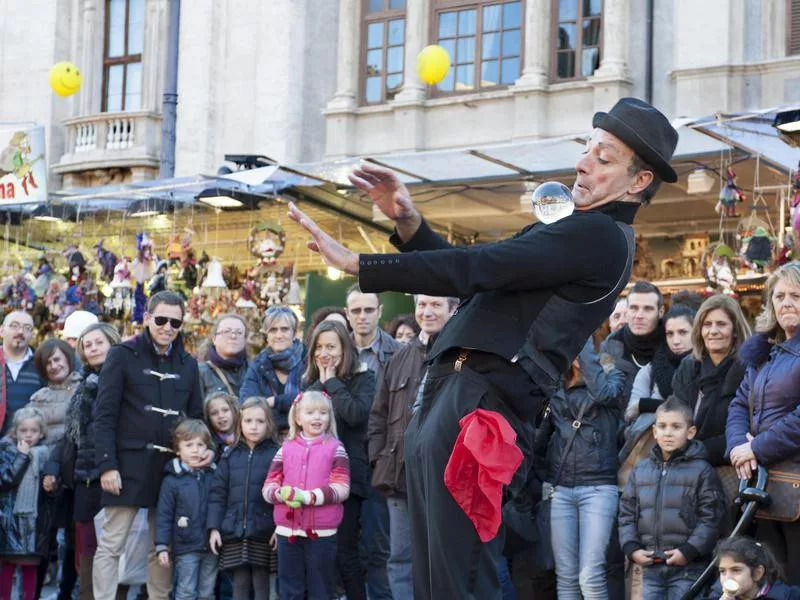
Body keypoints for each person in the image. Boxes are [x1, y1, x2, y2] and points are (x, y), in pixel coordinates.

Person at [288, 96, 678, 599]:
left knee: (460, 580)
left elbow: (482, 265)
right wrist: (410, 225)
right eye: (588, 147)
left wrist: (361, 265)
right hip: (456, 394)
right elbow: (480, 277)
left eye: (604, 158)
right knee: (437, 580)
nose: (583, 162)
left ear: (639, 181)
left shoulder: (600, 235)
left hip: (480, 409)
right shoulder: (577, 229)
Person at [93, 291, 206, 600]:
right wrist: (107, 464)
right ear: (147, 318)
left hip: (169, 468)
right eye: (160, 319)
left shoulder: (188, 364)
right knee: (111, 544)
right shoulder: (121, 354)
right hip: (125, 465)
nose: (167, 327)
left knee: (162, 545)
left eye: (175, 322)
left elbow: (196, 416)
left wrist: (199, 453)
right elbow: (104, 414)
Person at [368, 294, 458, 599]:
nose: (427, 311)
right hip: (399, 476)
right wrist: (378, 461)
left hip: (445, 478)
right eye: (422, 305)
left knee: (441, 561)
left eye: (436, 305)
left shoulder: (463, 356)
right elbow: (378, 415)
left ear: (453, 309)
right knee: (400, 559)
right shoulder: (400, 357)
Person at [727, 262, 800, 583]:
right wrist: (737, 449)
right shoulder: (765, 352)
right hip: (765, 482)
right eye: (779, 296)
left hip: (796, 479)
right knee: (771, 576)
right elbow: (740, 403)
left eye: (796, 295)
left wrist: (755, 447)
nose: (786, 303)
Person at [542, 337, 625, 599]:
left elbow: (600, 392)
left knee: (590, 576)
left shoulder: (613, 379)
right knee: (565, 578)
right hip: (560, 489)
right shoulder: (556, 385)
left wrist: (581, 336)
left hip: (598, 488)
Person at [620, 397, 726, 599]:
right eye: (662, 426)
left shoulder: (702, 470)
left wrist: (689, 550)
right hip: (651, 566)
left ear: (691, 432)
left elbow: (711, 518)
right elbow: (626, 513)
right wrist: (632, 548)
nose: (668, 432)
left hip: (689, 567)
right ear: (654, 432)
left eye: (676, 426)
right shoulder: (641, 470)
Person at [45, 322, 121, 600]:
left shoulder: (126, 381)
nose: (93, 348)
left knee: (116, 555)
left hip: (116, 478)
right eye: (87, 345)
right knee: (85, 554)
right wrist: (54, 468)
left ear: (113, 343)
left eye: (98, 342)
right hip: (84, 481)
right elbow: (70, 438)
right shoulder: (82, 387)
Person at [303, 320, 376, 600]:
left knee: (345, 552)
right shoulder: (310, 383)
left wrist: (332, 382)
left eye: (331, 346)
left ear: (345, 349)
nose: (325, 353)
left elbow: (356, 414)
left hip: (347, 479)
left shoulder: (363, 378)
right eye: (319, 347)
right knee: (317, 552)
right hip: (311, 479)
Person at [263, 390, 350, 600]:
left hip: (321, 534)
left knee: (321, 588)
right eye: (310, 412)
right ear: (298, 418)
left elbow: (341, 488)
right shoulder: (285, 448)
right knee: (290, 589)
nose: (317, 417)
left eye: (323, 413)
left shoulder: (335, 448)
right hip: (288, 532)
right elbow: (269, 484)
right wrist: (279, 494)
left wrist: (309, 497)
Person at [344, 284, 399, 600]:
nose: (362, 317)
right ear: (346, 314)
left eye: (368, 310)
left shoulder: (398, 353)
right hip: (343, 462)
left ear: (380, 312)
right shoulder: (335, 351)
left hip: (383, 463)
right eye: (356, 311)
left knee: (381, 549)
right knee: (344, 548)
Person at [208, 396, 280, 600]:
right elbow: (217, 494)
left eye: (260, 421)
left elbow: (283, 495)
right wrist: (214, 528)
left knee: (262, 585)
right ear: (240, 423)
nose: (254, 427)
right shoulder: (229, 455)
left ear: (269, 423)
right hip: (234, 531)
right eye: (248, 421)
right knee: (239, 585)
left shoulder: (277, 455)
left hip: (264, 531)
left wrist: (279, 527)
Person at [620, 304, 696, 482]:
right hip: (645, 456)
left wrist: (646, 405)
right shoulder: (652, 368)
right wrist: (639, 406)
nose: (676, 340)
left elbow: (693, 409)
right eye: (670, 334)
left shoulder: (703, 366)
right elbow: (630, 413)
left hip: (688, 458)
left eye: (683, 332)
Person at [672, 295, 750, 466]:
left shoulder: (749, 369)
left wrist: (697, 451)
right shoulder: (688, 367)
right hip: (685, 463)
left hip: (729, 466)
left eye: (721, 324)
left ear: (735, 329)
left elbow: (748, 427)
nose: (713, 331)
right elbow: (676, 417)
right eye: (707, 324)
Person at [30, 338, 81, 599]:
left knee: (73, 539)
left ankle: (65, 592)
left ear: (69, 359)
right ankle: (35, 592)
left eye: (58, 359)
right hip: (44, 477)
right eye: (48, 362)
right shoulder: (38, 398)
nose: (54, 365)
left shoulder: (84, 389)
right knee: (43, 539)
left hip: (73, 473)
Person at [156, 419, 218, 600]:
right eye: (189, 444)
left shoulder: (213, 475)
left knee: (207, 593)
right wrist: (162, 546)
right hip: (185, 546)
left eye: (200, 444)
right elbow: (164, 515)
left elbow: (219, 504)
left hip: (210, 547)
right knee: (186, 592)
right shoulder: (172, 480)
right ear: (178, 449)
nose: (195, 449)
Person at [0, 406, 55, 600]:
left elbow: (50, 496)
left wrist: (52, 486)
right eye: (24, 430)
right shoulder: (6, 450)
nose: (29, 435)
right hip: (9, 522)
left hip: (34, 523)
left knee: (30, 568)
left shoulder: (46, 454)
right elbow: (5, 481)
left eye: (34, 431)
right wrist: (22, 456)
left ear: (42, 433)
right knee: (7, 568)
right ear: (15, 431)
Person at [240, 306, 307, 433]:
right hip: (267, 437)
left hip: (305, 436)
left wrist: (274, 401)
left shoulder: (308, 360)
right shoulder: (258, 365)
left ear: (294, 334)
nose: (279, 335)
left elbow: (310, 400)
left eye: (285, 329)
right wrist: (290, 403)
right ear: (267, 335)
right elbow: (248, 404)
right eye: (273, 330)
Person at [603, 281, 666, 398]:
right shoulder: (611, 345)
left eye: (647, 309)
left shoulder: (672, 341)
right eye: (634, 308)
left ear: (661, 312)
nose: (639, 315)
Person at [703, 536, 800, 600]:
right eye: (722, 571)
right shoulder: (717, 595)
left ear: (757, 573)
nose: (727, 578)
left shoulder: (787, 596)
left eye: (736, 570)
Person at [0, 311, 43, 436]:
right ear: (2, 331)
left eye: (27, 328)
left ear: (32, 335)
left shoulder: (41, 365)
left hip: (28, 447)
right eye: (14, 325)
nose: (20, 332)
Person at [200, 314, 250, 398]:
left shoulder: (254, 370)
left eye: (239, 332)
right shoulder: (200, 373)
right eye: (227, 331)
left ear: (245, 340)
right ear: (214, 339)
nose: (233, 336)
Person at [204, 391, 240, 457]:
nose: (221, 416)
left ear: (234, 410)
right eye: (214, 413)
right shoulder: (209, 443)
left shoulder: (246, 436)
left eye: (225, 410)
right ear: (208, 418)